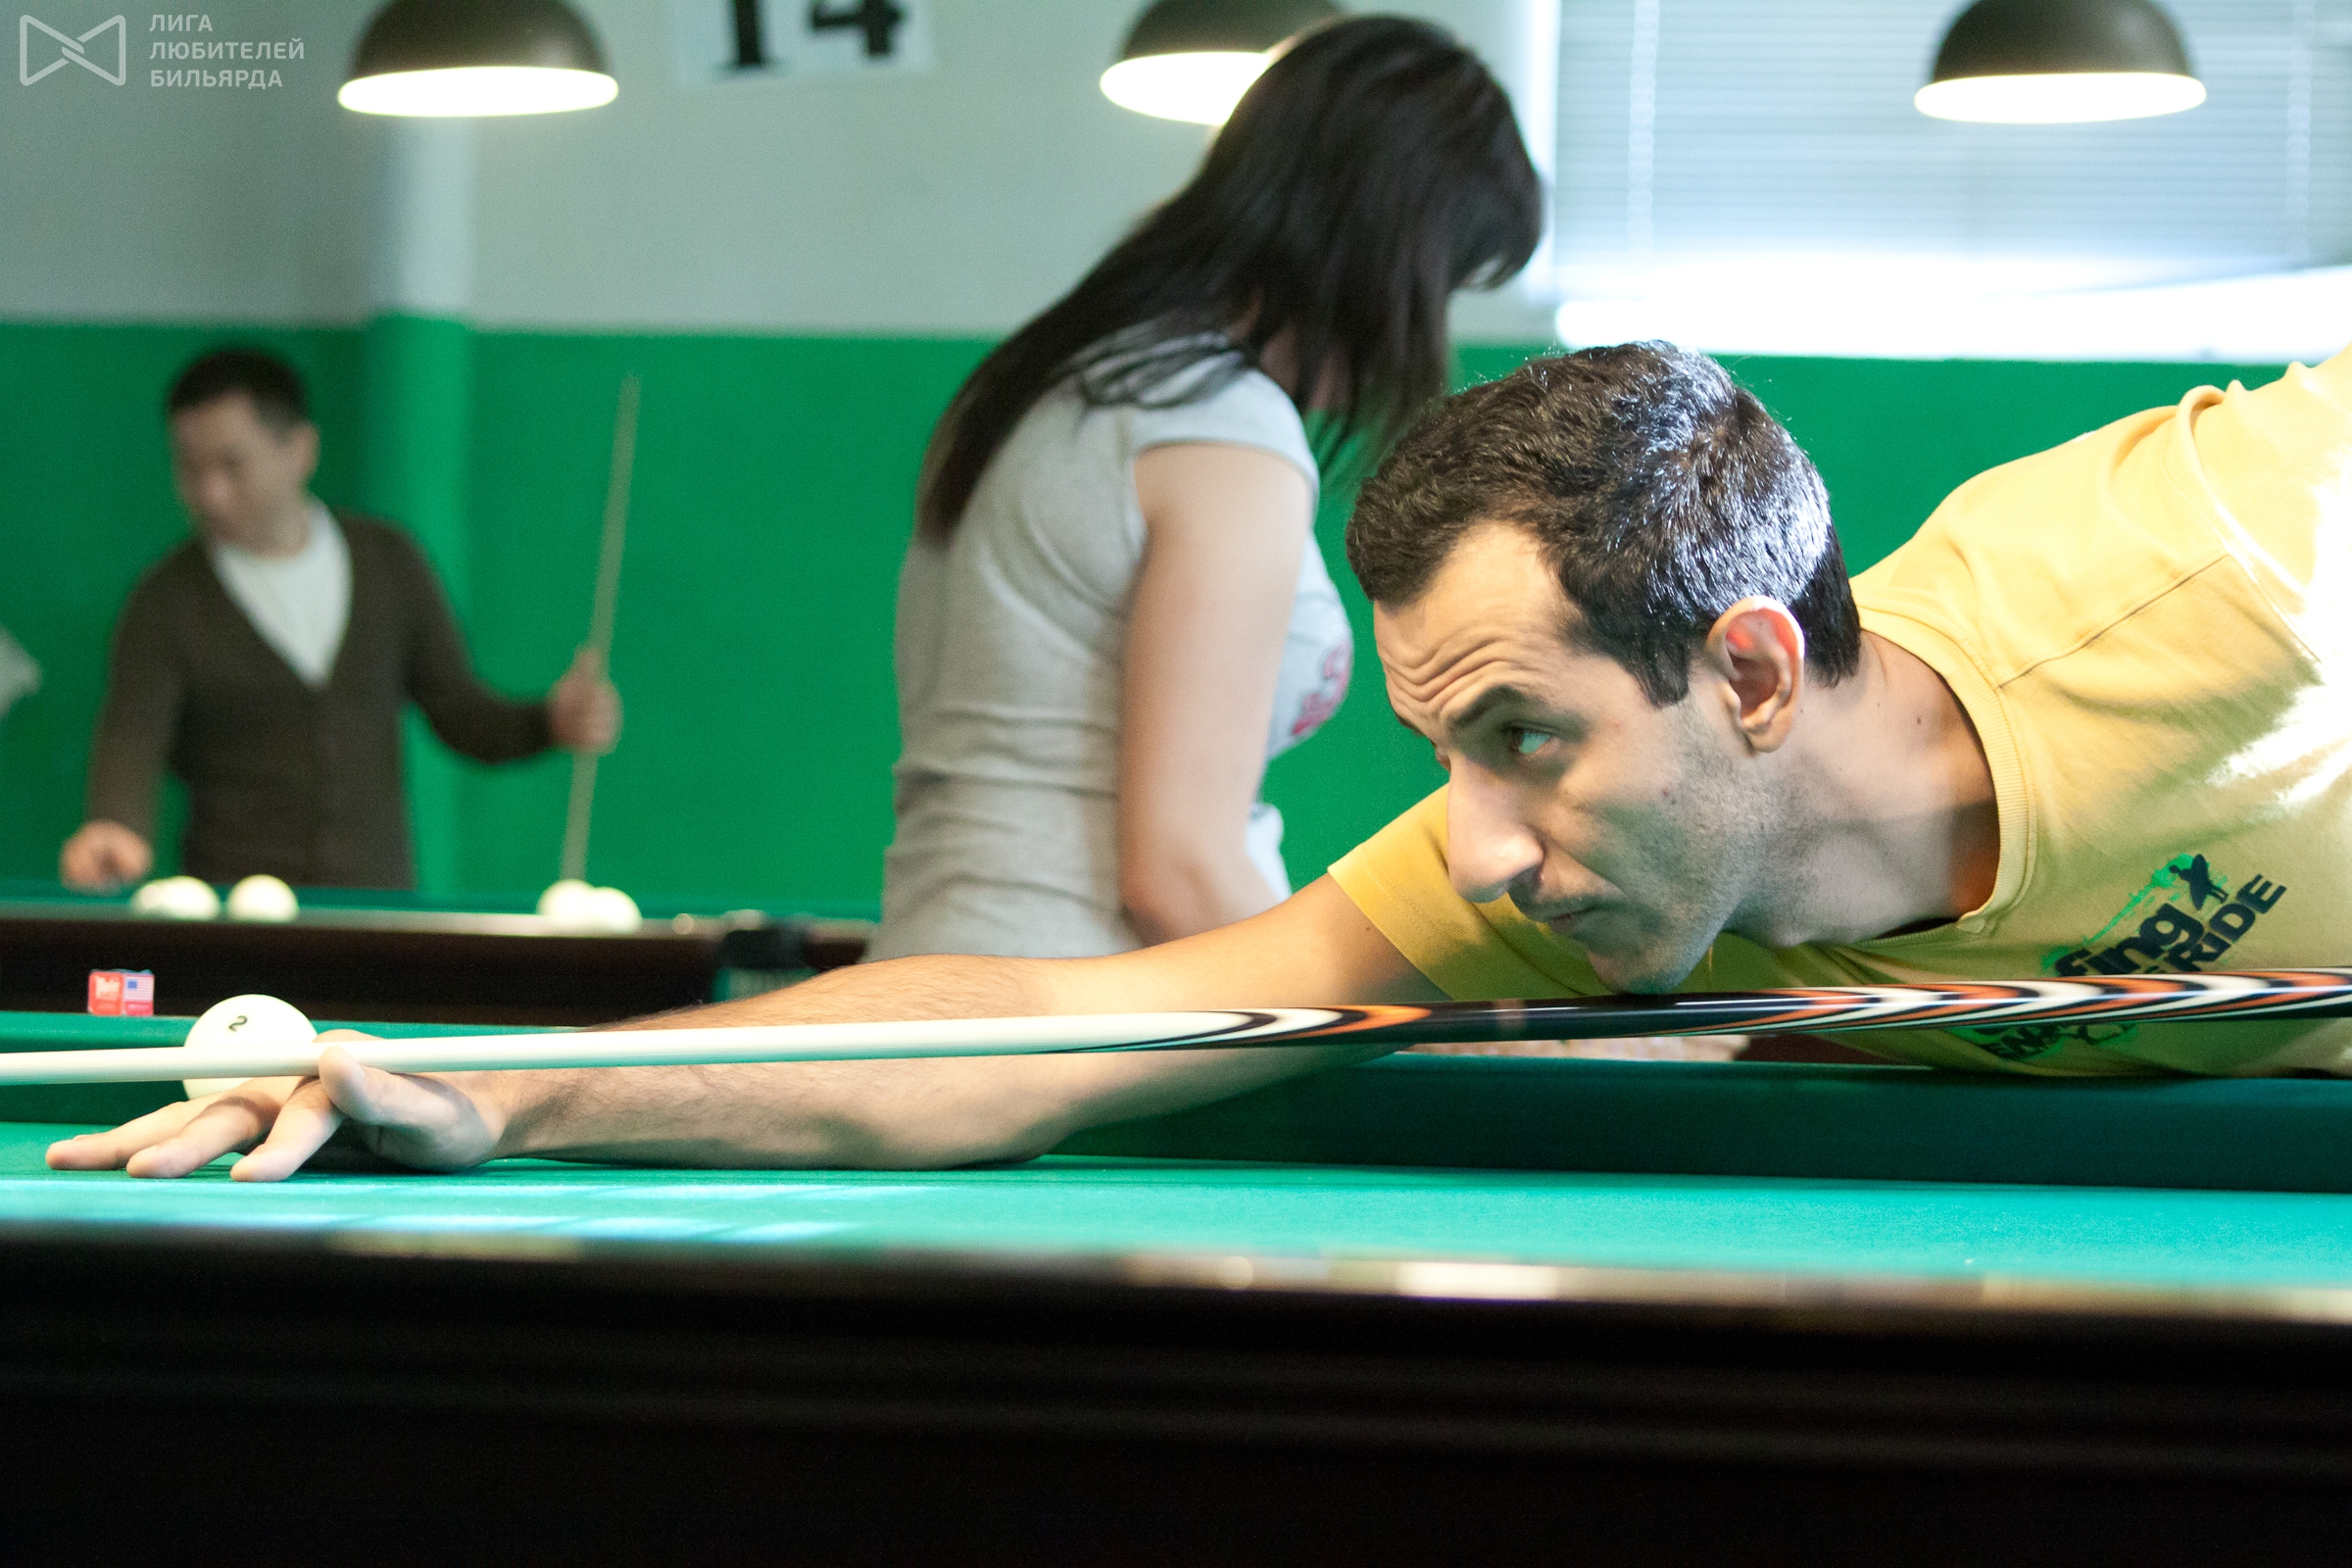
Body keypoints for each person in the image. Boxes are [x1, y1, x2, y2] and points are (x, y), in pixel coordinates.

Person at [55, 337, 2352, 1183]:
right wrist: (512, 1085)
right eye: (1452, 747)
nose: (1476, 840)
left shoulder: (2215, 567)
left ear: (1747, 670)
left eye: (1526, 738)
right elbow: (1035, 1033)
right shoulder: (1556, 861)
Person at [871, 16, 1542, 961]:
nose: (1431, 327)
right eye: (1445, 286)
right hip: (1076, 997)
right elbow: (1177, 871)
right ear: (1388, 252)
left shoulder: (1060, 383)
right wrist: (1367, 1019)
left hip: (947, 967)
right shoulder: (1222, 430)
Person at [59, 348, 620, 893]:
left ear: (300, 451)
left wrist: (548, 722)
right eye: (190, 469)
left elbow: (462, 713)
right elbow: (132, 732)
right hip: (235, 918)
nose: (210, 494)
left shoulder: (390, 564)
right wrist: (113, 824)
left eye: (232, 465)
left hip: (376, 915)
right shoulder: (165, 600)